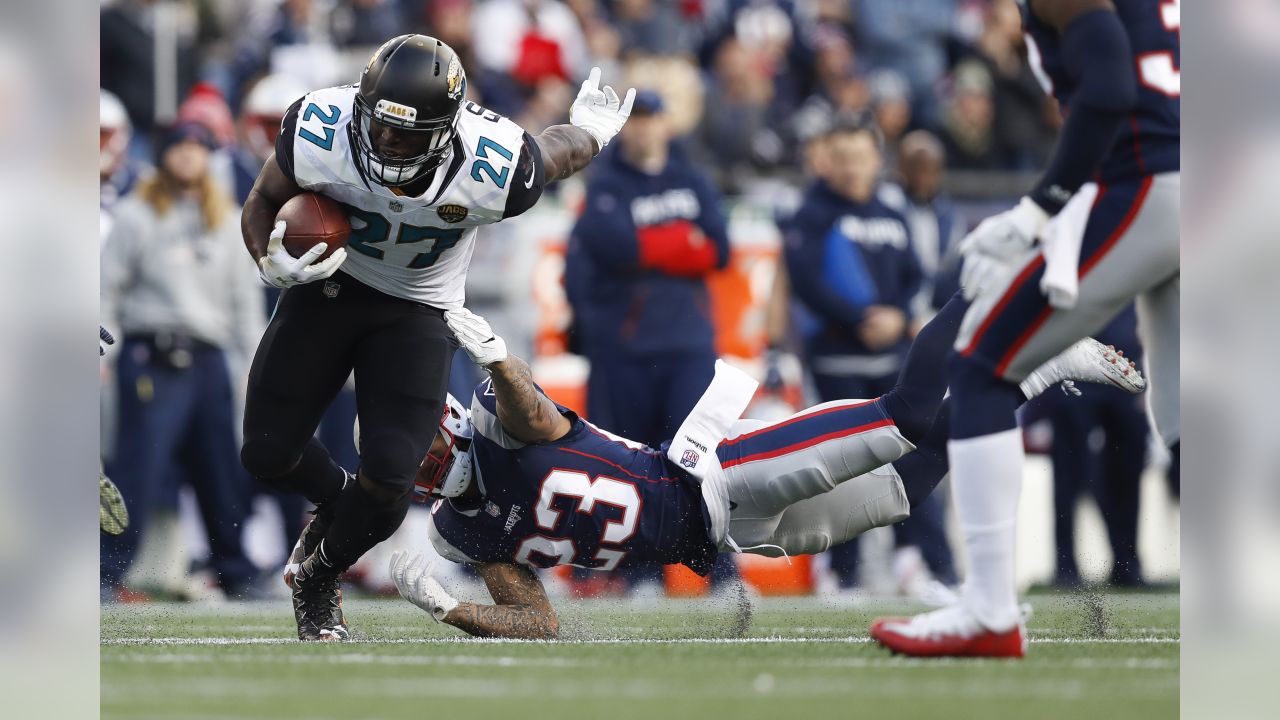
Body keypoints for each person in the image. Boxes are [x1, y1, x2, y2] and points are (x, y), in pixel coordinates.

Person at [381, 304, 1142, 639]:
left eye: (420, 445)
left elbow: (523, 401)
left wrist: (493, 356)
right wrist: (448, 611)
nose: (425, 464)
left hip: (717, 475)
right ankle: (1046, 370)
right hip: (732, 533)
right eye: (409, 461)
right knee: (906, 487)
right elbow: (538, 623)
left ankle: (978, 290)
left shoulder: (503, 426)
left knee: (907, 415)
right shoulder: (462, 532)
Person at [239, 34, 634, 641]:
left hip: (418, 308)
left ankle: (319, 577)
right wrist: (270, 263)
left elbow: (554, 152)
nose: (389, 143)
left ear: (447, 129)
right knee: (266, 454)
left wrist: (594, 131)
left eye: (409, 133)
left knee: (393, 479)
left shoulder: (494, 165)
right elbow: (264, 199)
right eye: (380, 126)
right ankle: (340, 503)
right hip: (329, 287)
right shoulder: (320, 125)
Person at [871, 0, 1179, 658]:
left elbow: (1112, 89)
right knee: (1191, 414)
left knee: (982, 366)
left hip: (1153, 181)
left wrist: (1043, 206)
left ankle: (988, 609)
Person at [564, 88, 737, 593]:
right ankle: (640, 572)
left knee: (700, 459)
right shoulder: (604, 183)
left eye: (651, 118)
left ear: (666, 124)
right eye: (634, 120)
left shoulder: (694, 179)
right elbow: (612, 244)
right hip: (624, 348)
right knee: (630, 465)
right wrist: (683, 242)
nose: (642, 128)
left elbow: (721, 250)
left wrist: (645, 249)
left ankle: (722, 572)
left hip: (687, 343)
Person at [100, 122, 266, 600]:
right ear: (164, 156)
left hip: (209, 360)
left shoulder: (228, 218)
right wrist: (103, 348)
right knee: (139, 469)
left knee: (220, 470)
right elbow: (107, 288)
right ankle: (107, 571)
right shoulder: (136, 215)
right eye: (181, 149)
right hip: (150, 354)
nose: (190, 158)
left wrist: (255, 367)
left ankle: (234, 572)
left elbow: (244, 306)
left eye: (198, 149)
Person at [782, 117, 925, 592]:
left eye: (861, 158)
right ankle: (839, 570)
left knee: (907, 459)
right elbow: (806, 282)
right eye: (842, 158)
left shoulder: (893, 213)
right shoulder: (812, 214)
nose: (852, 169)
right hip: (836, 362)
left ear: (876, 160)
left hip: (893, 363)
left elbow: (914, 276)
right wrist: (861, 318)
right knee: (841, 467)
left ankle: (915, 562)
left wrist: (898, 317)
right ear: (828, 161)